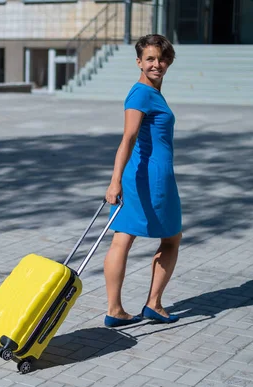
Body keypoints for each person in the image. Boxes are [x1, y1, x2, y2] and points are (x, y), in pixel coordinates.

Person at [103, 34, 182, 327]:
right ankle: (153, 304)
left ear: (169, 61)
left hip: (139, 175)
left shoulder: (150, 92)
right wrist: (114, 182)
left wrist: (119, 180)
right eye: (150, 59)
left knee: (122, 237)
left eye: (161, 59)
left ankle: (115, 310)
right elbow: (128, 137)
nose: (156, 64)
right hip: (152, 178)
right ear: (139, 61)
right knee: (171, 238)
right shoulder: (141, 94)